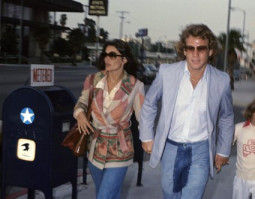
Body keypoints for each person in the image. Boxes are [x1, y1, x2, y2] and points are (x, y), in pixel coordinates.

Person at [139, 24, 234, 198]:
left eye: (201, 48)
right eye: (190, 48)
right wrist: (146, 135)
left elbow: (227, 117)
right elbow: (149, 103)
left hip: (201, 150)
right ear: (184, 50)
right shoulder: (167, 73)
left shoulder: (222, 81)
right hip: (171, 148)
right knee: (170, 195)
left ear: (210, 51)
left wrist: (223, 150)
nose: (195, 54)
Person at [73, 39, 145, 199]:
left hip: (120, 149)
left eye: (112, 55)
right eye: (106, 55)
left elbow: (143, 119)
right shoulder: (93, 80)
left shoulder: (135, 86)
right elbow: (82, 102)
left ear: (124, 59)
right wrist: (80, 114)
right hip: (95, 147)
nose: (107, 59)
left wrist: (150, 140)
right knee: (106, 193)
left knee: (104, 196)